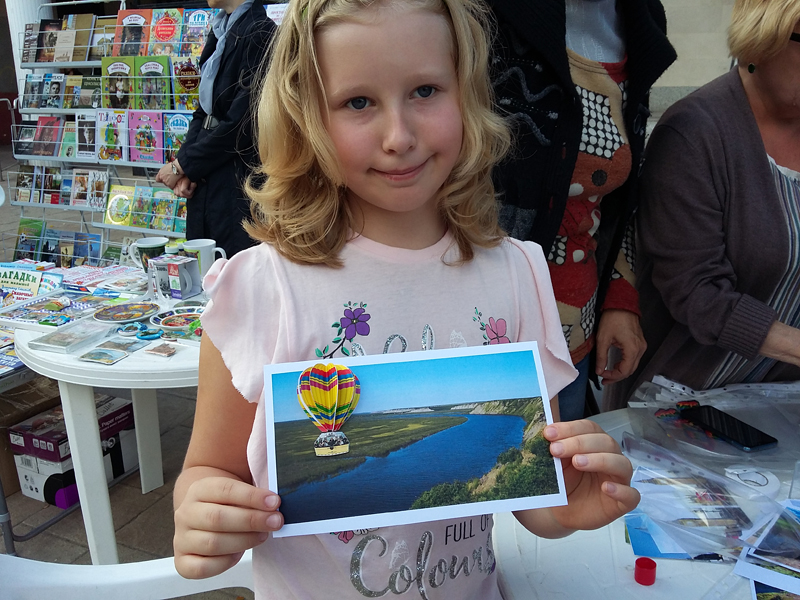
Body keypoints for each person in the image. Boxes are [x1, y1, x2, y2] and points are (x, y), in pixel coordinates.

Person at [172, 0, 640, 596]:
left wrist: (569, 503)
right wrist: (202, 521)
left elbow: (530, 492)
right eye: (358, 102)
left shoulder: (517, 273)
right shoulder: (263, 289)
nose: (399, 136)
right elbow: (208, 472)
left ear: (468, 93)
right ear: (305, 115)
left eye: (425, 91)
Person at [603, 0, 800, 409]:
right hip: (683, 400)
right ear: (764, 35)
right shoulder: (693, 133)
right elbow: (697, 292)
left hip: (781, 400)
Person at [488, 0, 676, 420]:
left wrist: (620, 295)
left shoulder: (642, 18)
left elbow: (619, 195)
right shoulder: (474, 13)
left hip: (573, 336)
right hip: (478, 340)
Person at [156, 0, 276, 257]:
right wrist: (185, 167)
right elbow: (204, 110)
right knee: (202, 266)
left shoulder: (261, 32)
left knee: (232, 266)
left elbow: (243, 123)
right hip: (207, 176)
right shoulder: (220, 30)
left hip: (237, 180)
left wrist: (183, 166)